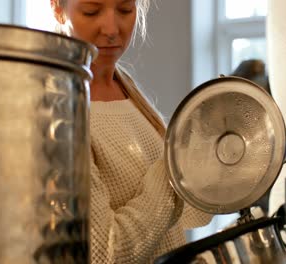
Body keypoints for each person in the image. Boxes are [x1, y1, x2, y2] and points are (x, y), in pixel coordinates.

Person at [49, 0, 212, 263]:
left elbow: (190, 214)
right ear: (57, 7)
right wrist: (175, 166)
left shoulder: (126, 87)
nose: (112, 29)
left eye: (125, 10)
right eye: (92, 11)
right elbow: (106, 254)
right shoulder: (57, 109)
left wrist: (215, 156)